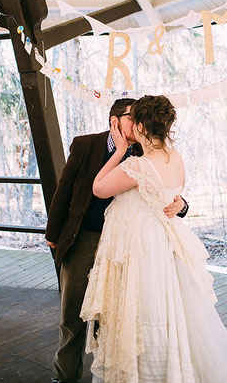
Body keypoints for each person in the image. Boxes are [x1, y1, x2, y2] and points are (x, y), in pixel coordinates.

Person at [82, 95, 227, 382]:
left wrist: (118, 152)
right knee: (167, 307)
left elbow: (99, 188)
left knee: (142, 309)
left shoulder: (139, 166)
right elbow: (167, 196)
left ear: (140, 126)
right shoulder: (175, 158)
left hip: (139, 246)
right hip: (161, 244)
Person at [46, 98, 188, 383]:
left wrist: (183, 205)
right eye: (131, 117)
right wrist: (53, 234)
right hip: (85, 237)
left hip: (125, 248)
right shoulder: (86, 145)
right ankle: (64, 376)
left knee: (111, 314)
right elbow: (63, 192)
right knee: (72, 314)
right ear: (115, 121)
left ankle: (108, 370)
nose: (137, 124)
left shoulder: (146, 151)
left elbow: (166, 192)